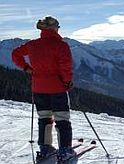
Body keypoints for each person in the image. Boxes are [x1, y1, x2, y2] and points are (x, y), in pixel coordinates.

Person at [12, 16, 74, 162]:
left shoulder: (32, 45)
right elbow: (65, 66)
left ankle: (45, 149)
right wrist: (68, 82)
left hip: (38, 88)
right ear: (53, 28)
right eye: (58, 26)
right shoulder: (61, 45)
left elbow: (15, 54)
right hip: (57, 87)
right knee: (62, 119)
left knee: (44, 118)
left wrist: (26, 68)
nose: (59, 29)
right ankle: (65, 150)